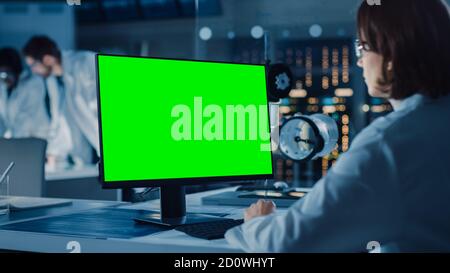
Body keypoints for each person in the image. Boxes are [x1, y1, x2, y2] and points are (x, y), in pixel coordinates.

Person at [225, 0, 450, 252]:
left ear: (391, 53)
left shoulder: (389, 143)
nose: (360, 61)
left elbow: (286, 244)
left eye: (363, 47)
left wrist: (257, 222)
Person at [22, 36, 99, 166]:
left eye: (33, 65)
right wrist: (54, 151)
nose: (33, 71)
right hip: (87, 150)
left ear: (47, 59)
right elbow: (61, 119)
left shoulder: (86, 61)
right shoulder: (53, 81)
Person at [0, 47, 48, 139]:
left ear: (16, 71)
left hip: (36, 138)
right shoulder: (3, 88)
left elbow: (25, 121)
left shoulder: (32, 84)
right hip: (17, 140)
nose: (3, 79)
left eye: (6, 74)